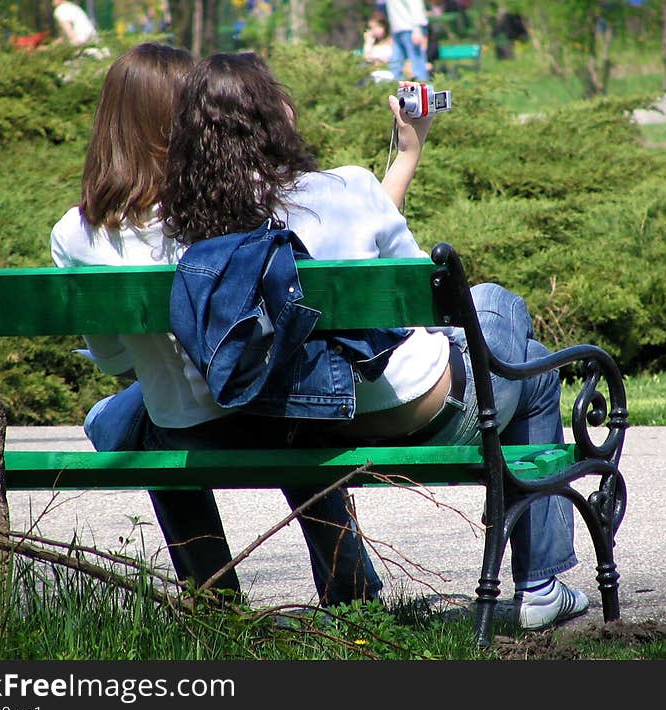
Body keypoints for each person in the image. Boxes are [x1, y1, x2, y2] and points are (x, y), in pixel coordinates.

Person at [160, 51, 589, 630]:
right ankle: (540, 583)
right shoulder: (345, 188)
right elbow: (422, 296)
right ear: (273, 116)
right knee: (506, 320)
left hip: (308, 421)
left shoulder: (184, 227)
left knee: (527, 359)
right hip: (426, 409)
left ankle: (539, 583)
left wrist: (406, 155)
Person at [49, 43, 428, 607]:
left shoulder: (74, 234)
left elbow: (110, 357)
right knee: (286, 387)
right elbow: (349, 242)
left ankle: (214, 599)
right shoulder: (218, 212)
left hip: (181, 421)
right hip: (266, 406)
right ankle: (351, 594)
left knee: (131, 417)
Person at [385, 0, 431, 81]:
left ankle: (423, 89)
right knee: (395, 65)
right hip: (397, 30)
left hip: (410, 29)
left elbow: (416, 6)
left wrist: (417, 29)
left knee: (417, 64)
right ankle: (394, 89)